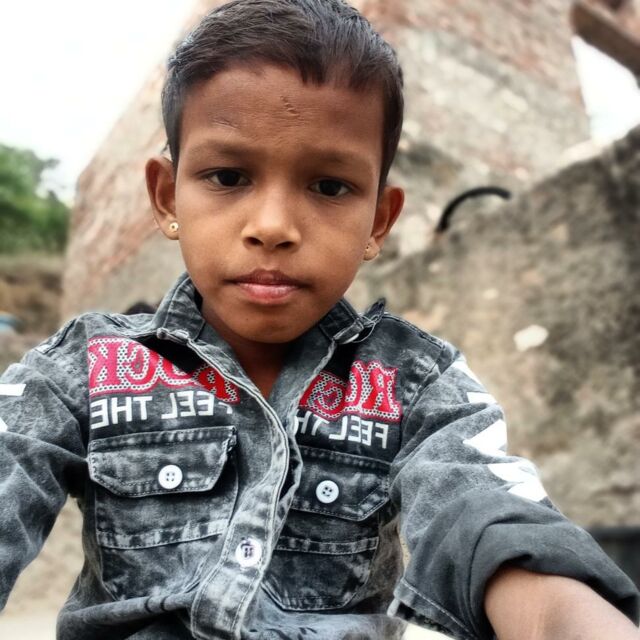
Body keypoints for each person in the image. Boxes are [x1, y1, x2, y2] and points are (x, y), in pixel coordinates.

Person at [0, 1, 638, 638]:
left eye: (330, 187)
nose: (273, 227)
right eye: (228, 176)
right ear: (168, 198)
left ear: (378, 222)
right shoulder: (84, 367)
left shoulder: (417, 384)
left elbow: (489, 517)